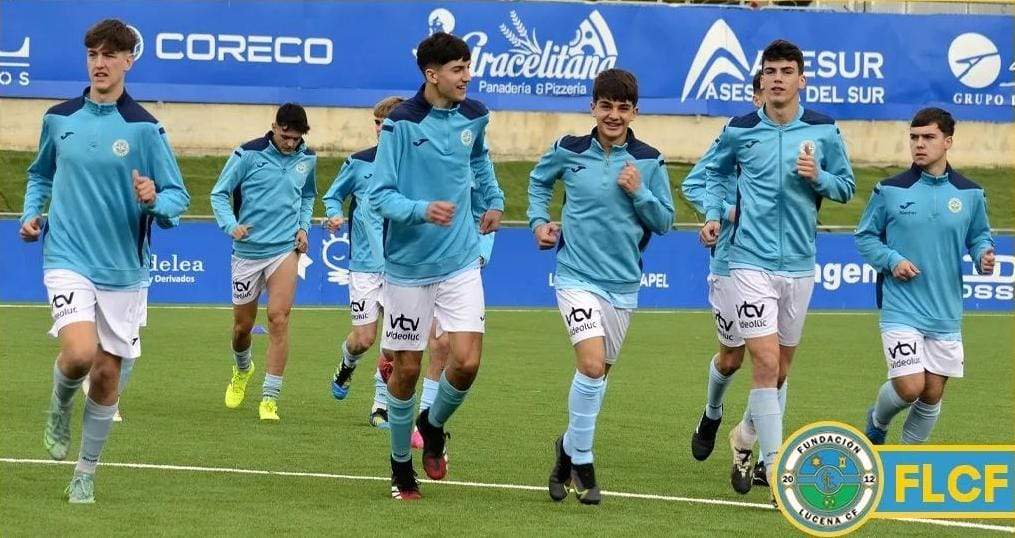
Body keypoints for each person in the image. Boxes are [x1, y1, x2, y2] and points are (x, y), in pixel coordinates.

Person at [20, 18, 189, 503]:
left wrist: (155, 198)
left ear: (128, 62)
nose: (100, 63)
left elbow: (177, 199)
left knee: (108, 374)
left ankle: (85, 472)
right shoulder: (59, 117)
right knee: (77, 355)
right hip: (68, 254)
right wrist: (33, 213)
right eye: (93, 54)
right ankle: (59, 405)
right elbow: (40, 175)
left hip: (123, 269)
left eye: (110, 55)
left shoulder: (145, 129)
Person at [700, 39, 855, 497]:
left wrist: (819, 178)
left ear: (801, 79)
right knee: (764, 361)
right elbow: (712, 173)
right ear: (762, 79)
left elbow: (846, 187)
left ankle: (745, 436)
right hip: (749, 262)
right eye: (771, 71)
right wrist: (713, 213)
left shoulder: (825, 131)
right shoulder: (740, 129)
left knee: (780, 371)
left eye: (787, 71)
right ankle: (776, 470)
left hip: (801, 265)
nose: (778, 78)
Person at [528, 69, 675, 505]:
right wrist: (539, 222)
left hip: (623, 284)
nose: (613, 115)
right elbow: (538, 182)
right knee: (591, 365)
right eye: (605, 105)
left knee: (600, 374)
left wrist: (640, 192)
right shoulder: (569, 151)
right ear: (592, 106)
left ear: (634, 111)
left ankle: (565, 452)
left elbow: (664, 221)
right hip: (575, 275)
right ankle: (585, 462)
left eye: (622, 107)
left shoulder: (649, 160)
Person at [370, 32, 504, 500]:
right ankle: (400, 466)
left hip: (461, 259)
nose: (467, 76)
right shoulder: (401, 124)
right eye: (457, 69)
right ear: (432, 75)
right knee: (406, 371)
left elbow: (480, 161)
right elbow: (379, 195)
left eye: (468, 66)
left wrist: (494, 200)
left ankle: (433, 423)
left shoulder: (476, 115)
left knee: (466, 363)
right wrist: (421, 209)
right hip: (407, 266)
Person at [856, 108, 994, 445]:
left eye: (928, 137)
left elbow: (979, 236)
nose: (919, 144)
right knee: (910, 386)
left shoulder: (970, 194)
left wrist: (983, 256)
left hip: (945, 309)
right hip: (901, 306)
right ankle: (877, 420)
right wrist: (892, 260)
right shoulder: (889, 190)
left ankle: (906, 463)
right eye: (914, 137)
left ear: (947, 142)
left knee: (931, 394)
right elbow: (865, 236)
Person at [684, 71, 774, 488]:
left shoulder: (799, 139)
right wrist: (719, 213)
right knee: (732, 359)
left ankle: (751, 449)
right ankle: (712, 413)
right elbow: (694, 181)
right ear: (755, 95)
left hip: (779, 265)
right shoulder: (735, 135)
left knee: (772, 364)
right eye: (762, 90)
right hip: (730, 265)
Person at [210, 104, 317, 422]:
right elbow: (219, 194)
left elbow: (308, 196)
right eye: (285, 136)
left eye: (295, 139)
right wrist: (232, 225)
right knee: (242, 327)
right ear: (274, 127)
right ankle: (242, 369)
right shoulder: (247, 154)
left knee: (278, 319)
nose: (289, 144)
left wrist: (303, 226)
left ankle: (269, 399)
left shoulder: (307, 158)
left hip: (284, 250)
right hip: (247, 252)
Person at [325, 96, 404, 430]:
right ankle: (347, 363)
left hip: (403, 267)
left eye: (388, 125)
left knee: (395, 342)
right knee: (364, 338)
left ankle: (380, 406)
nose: (381, 129)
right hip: (364, 265)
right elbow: (332, 195)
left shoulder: (413, 168)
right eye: (377, 123)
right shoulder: (358, 163)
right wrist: (333, 213)